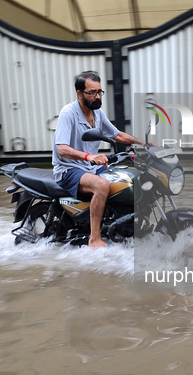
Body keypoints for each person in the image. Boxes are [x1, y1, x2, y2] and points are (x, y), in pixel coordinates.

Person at [52, 71, 147, 249]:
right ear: (80, 94)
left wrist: (144, 142)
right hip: (68, 169)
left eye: (99, 92)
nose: (97, 96)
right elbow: (61, 148)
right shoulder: (68, 113)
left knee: (125, 178)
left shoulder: (98, 114)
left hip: (89, 168)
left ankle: (119, 226)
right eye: (92, 92)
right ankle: (94, 238)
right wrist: (90, 156)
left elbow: (117, 134)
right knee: (102, 185)